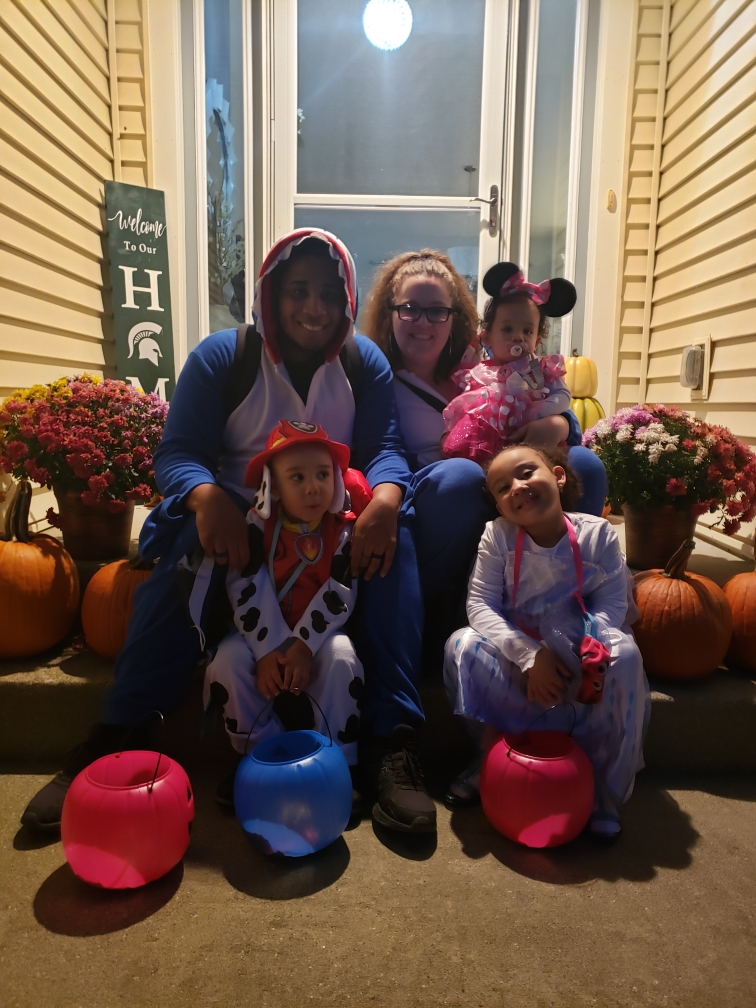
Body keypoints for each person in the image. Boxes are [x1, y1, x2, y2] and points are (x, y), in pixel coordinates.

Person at [21, 229, 438, 836]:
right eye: (298, 290)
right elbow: (178, 452)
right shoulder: (225, 357)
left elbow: (386, 449)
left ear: (348, 298)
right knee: (187, 549)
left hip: (325, 533)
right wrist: (204, 495)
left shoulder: (362, 362)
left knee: (393, 540)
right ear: (270, 293)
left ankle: (391, 740)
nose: (315, 308)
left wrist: (387, 497)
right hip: (239, 533)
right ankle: (120, 734)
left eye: (329, 294)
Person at [443, 444, 650, 837]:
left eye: (526, 473)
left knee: (624, 654)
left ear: (558, 476)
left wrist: (582, 651)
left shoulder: (598, 534)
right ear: (500, 508)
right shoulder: (497, 536)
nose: (517, 487)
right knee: (462, 644)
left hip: (579, 652)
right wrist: (530, 657)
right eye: (502, 487)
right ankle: (491, 757)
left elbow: (612, 602)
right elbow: (480, 605)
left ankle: (600, 787)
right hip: (519, 657)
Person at [364, 251, 608, 514]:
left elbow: (536, 395)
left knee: (585, 464)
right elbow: (379, 454)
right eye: (410, 309)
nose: (423, 322)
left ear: (454, 317)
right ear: (389, 314)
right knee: (461, 476)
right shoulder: (379, 380)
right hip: (443, 502)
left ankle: (571, 540)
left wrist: (559, 424)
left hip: (511, 480)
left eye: (436, 310)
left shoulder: (481, 364)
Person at [200, 420, 366, 800]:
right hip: (260, 637)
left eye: (322, 474)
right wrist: (268, 650)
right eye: (297, 477)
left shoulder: (342, 529)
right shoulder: (256, 526)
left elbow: (340, 590)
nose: (313, 487)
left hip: (319, 638)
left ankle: (339, 762)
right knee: (226, 663)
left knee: (343, 659)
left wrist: (302, 646)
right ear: (271, 486)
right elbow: (244, 584)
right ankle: (259, 754)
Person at [442, 262, 574, 465]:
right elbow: (463, 405)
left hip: (531, 441)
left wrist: (541, 414)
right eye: (507, 329)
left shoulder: (536, 369)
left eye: (527, 331)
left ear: (537, 341)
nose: (518, 337)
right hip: (486, 446)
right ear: (487, 337)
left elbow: (562, 395)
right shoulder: (480, 373)